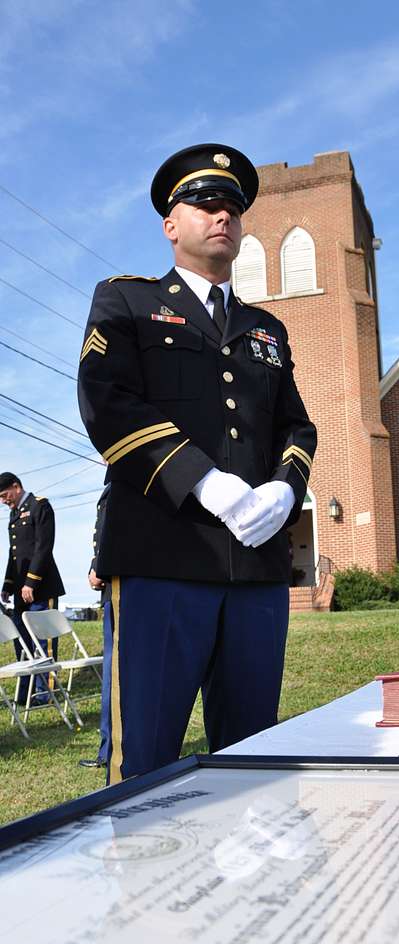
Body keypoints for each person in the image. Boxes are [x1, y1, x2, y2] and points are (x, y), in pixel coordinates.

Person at [77, 143, 317, 784]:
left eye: (233, 209)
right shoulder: (126, 303)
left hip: (255, 567)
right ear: (170, 225)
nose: (222, 218)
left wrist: (285, 492)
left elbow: (296, 426)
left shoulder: (267, 329)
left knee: (251, 755)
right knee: (146, 761)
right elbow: (107, 404)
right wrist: (204, 481)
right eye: (205, 204)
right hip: (163, 560)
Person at [0, 471, 64, 703]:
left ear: (16, 486)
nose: (3, 500)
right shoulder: (14, 515)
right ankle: (26, 691)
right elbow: (14, 553)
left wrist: (31, 582)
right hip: (20, 591)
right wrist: (8, 584)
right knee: (23, 641)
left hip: (41, 587)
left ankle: (44, 691)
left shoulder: (40, 506)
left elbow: (43, 547)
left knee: (42, 640)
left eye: (5, 495)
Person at [79, 484, 111, 769]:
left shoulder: (128, 470)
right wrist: (95, 563)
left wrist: (101, 565)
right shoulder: (111, 479)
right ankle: (108, 748)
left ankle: (112, 749)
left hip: (122, 580)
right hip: (111, 582)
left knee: (118, 676)